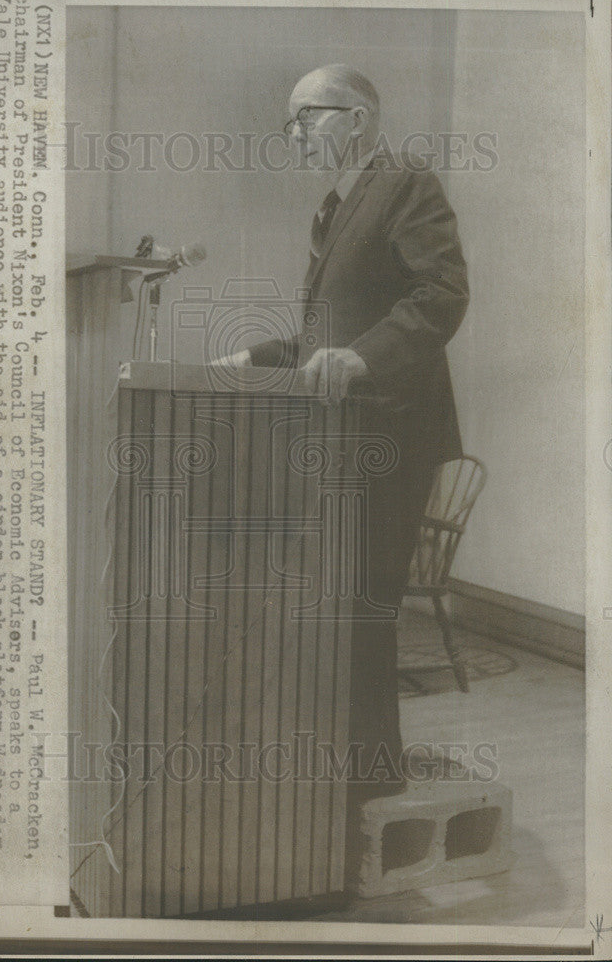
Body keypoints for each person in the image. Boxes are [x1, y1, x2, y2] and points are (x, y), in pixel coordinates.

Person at [218, 63, 469, 891]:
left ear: (355, 118)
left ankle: (370, 791)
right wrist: (258, 356)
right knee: (343, 609)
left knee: (362, 610)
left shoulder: (403, 180)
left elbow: (442, 295)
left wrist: (362, 357)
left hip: (393, 432)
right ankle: (357, 782)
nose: (293, 134)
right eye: (288, 121)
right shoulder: (333, 210)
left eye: (305, 118)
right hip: (352, 436)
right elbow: (329, 336)